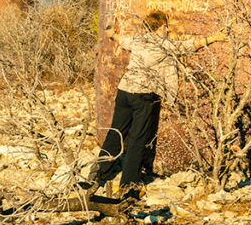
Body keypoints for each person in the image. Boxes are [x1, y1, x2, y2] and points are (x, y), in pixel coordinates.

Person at [92, 10, 220, 198]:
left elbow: (120, 39)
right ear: (158, 28)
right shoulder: (164, 45)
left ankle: (95, 176)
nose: (168, 29)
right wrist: (214, 38)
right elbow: (188, 46)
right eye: (164, 26)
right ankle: (128, 186)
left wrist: (110, 32)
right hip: (143, 97)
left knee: (115, 134)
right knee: (137, 141)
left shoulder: (138, 40)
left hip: (125, 91)